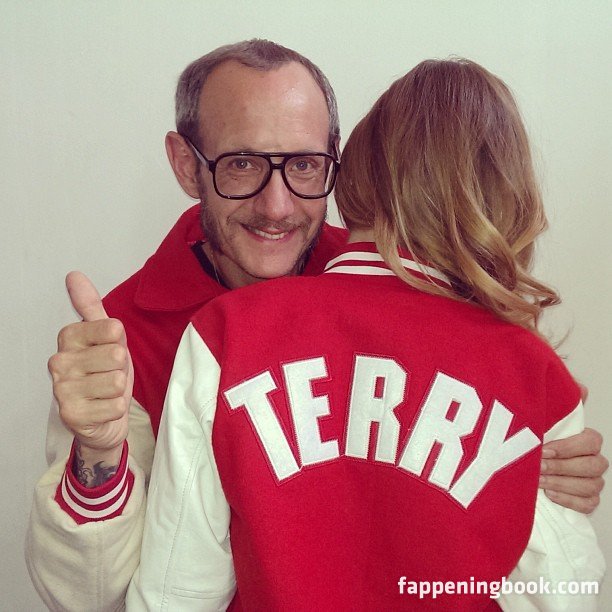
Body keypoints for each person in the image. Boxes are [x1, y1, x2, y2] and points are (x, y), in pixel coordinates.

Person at [25, 41, 606, 611]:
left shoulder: (407, 286)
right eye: (242, 164)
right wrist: (98, 453)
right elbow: (88, 600)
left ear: (340, 165)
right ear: (186, 165)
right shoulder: (119, 336)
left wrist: (545, 473)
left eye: (303, 165)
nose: (277, 206)